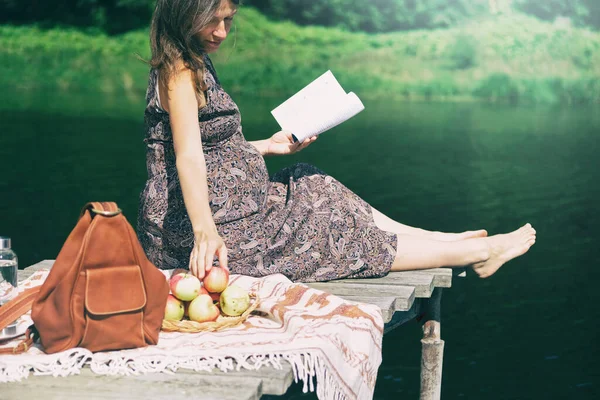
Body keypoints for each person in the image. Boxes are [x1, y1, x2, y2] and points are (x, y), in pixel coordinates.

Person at [137, 0, 536, 282]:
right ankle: (477, 253)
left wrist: (269, 146)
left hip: (233, 206)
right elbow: (188, 157)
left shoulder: (192, 59)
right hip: (196, 224)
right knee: (325, 229)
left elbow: (211, 147)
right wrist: (206, 231)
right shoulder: (179, 73)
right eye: (214, 21)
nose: (223, 32)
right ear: (185, 12)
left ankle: (436, 240)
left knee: (312, 181)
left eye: (228, 19)